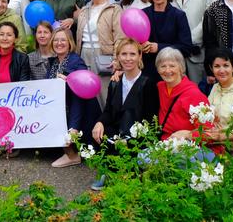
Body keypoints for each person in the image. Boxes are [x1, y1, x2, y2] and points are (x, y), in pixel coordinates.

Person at [90, 38, 159, 190]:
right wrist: (100, 122)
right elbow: (108, 111)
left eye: (132, 54)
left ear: (140, 56)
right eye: (124, 54)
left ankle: (124, 173)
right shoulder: (115, 83)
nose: (128, 58)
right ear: (118, 57)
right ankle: (109, 172)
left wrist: (130, 141)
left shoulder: (148, 83)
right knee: (98, 132)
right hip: (118, 130)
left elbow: (151, 121)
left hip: (138, 136)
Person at [47, 28, 101, 167]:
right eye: (56, 40)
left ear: (70, 43)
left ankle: (73, 155)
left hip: (82, 113)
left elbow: (79, 98)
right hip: (64, 109)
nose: (59, 43)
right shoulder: (52, 63)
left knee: (91, 156)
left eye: (63, 40)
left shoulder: (77, 62)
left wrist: (74, 127)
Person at [74, 0, 123, 106]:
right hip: (84, 54)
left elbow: (120, 36)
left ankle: (105, 125)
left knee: (103, 94)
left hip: (103, 55)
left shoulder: (114, 9)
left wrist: (116, 59)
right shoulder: (84, 10)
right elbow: (79, 37)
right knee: (86, 95)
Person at [142, 0, 195, 82]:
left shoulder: (178, 16)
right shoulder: (143, 15)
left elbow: (186, 48)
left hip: (172, 73)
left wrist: (159, 47)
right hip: (147, 73)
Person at [156, 47, 210, 141]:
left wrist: (189, 134)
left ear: (181, 68)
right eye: (163, 66)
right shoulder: (159, 88)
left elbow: (208, 131)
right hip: (165, 142)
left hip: (189, 146)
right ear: (158, 70)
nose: (167, 70)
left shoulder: (194, 94)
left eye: (172, 66)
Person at [204, 48, 233, 147]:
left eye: (226, 65)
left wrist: (220, 136)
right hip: (215, 142)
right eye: (216, 66)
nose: (221, 70)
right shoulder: (215, 87)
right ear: (211, 69)